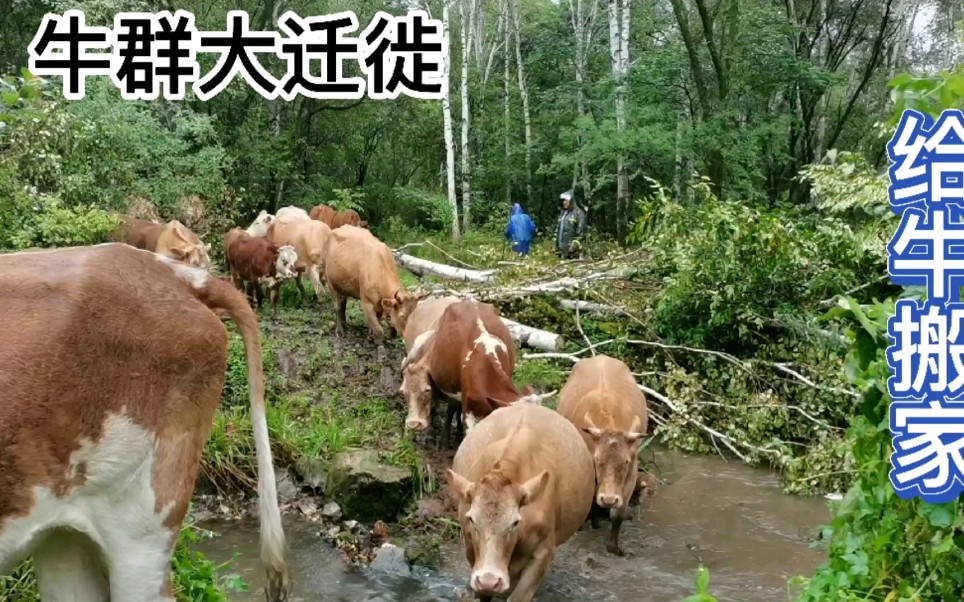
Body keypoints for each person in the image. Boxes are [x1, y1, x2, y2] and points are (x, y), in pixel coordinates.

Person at [555, 190, 586, 259]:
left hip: (573, 252)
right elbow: (557, 230)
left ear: (571, 200)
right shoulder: (562, 213)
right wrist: (555, 245)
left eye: (566, 200)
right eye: (563, 201)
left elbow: (581, 233)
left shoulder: (579, 213)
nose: (564, 202)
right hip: (561, 251)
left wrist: (574, 245)